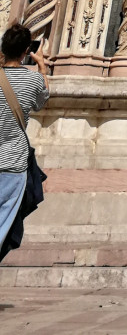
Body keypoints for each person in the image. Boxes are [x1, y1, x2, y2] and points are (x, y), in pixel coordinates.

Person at [0, 24, 48, 257]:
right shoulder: (33, 81)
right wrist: (42, 67)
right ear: (26, 50)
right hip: (13, 165)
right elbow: (41, 102)